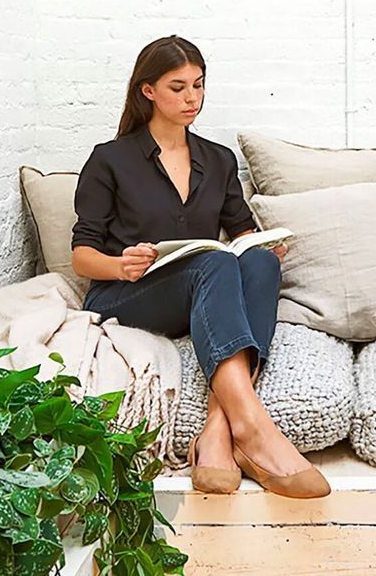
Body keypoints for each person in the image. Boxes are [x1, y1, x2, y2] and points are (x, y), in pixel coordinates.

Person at [71, 35, 330, 499]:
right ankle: (252, 426)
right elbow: (81, 254)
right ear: (148, 91)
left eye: (199, 85)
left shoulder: (217, 158)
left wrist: (264, 245)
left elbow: (241, 228)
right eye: (178, 88)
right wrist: (121, 265)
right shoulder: (110, 159)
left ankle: (217, 429)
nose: (192, 98)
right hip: (128, 294)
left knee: (258, 263)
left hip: (200, 294)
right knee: (214, 261)